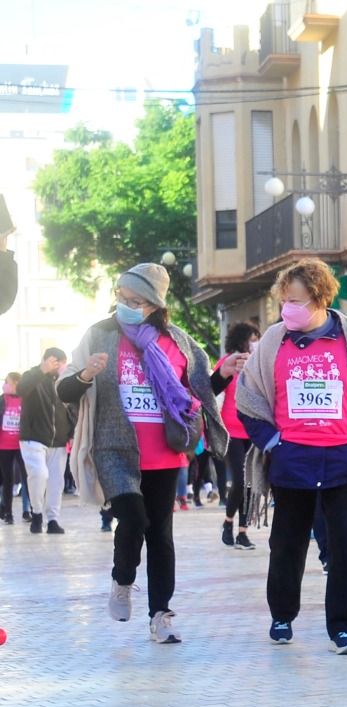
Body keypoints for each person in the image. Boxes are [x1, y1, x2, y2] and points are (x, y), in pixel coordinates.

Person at [57, 263, 226, 644]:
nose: (126, 305)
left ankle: (160, 615)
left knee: (161, 536)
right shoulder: (99, 335)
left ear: (154, 304)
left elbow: (197, 391)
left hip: (165, 453)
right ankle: (122, 579)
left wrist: (224, 376)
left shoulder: (178, 343)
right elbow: (65, 391)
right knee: (132, 520)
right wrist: (85, 374)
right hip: (114, 448)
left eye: (135, 300)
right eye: (121, 297)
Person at [235, 259, 347, 654]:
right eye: (285, 300)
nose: (289, 308)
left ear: (319, 298)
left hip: (342, 461)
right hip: (292, 461)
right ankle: (282, 616)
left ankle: (343, 628)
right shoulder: (274, 340)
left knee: (344, 546)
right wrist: (272, 443)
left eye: (297, 301)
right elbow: (247, 399)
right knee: (286, 543)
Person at [212, 322, 259, 549]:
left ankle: (242, 531)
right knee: (240, 481)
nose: (254, 342)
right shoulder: (227, 363)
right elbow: (213, 393)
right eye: (251, 338)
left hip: (254, 430)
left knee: (251, 483)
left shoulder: (258, 364)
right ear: (241, 340)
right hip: (231, 430)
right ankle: (228, 522)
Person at [17, 347, 72, 534]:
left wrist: (71, 432)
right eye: (60, 363)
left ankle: (53, 520)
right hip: (33, 438)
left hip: (59, 441)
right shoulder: (32, 376)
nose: (62, 367)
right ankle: (37, 512)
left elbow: (70, 409)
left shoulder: (63, 383)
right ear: (49, 361)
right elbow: (21, 389)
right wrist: (41, 371)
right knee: (39, 475)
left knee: (56, 482)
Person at [0, 372, 20, 524]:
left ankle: (32, 511)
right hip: (4, 445)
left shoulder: (25, 399)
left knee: (27, 478)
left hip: (22, 444)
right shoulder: (2, 400)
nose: (4, 384)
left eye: (7, 382)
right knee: (8, 479)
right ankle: (8, 512)